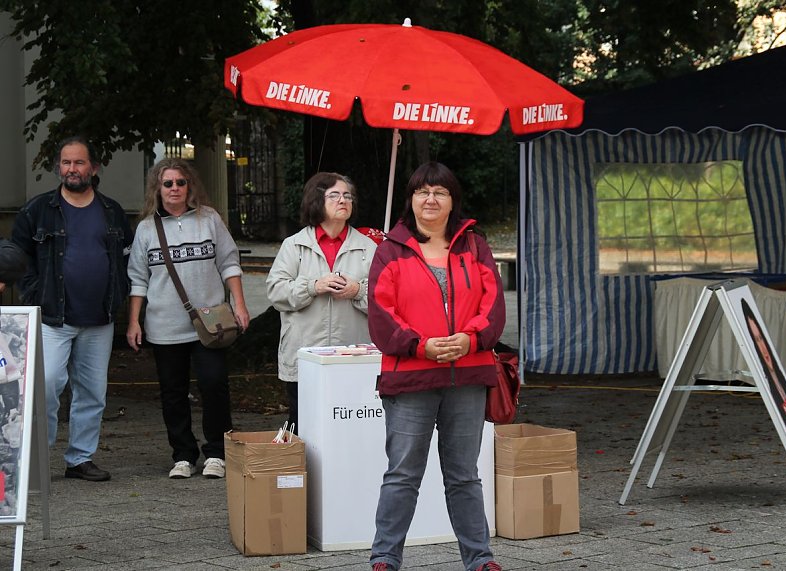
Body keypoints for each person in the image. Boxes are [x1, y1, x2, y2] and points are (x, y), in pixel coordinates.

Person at [367, 162, 505, 571]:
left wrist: (471, 338)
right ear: (410, 199)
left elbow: (493, 305)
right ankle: (385, 558)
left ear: (452, 200)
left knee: (464, 475)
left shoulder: (474, 244)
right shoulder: (390, 248)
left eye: (440, 192)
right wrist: (420, 346)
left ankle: (480, 559)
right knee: (403, 474)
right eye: (422, 191)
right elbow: (380, 313)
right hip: (410, 375)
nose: (430, 199)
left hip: (468, 373)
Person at [12, 136, 133, 482]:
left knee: (93, 391)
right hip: (53, 317)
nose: (72, 169)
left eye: (79, 163)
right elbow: (16, 257)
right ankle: (37, 461)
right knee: (46, 385)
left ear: (94, 168)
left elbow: (128, 258)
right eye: (66, 163)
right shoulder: (38, 210)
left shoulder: (111, 211)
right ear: (58, 167)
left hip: (100, 318)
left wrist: (120, 292)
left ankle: (80, 459)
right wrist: (36, 293)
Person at [126, 158, 250, 479]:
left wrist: (240, 304)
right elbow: (138, 279)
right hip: (164, 325)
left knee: (214, 384)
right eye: (168, 183)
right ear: (158, 189)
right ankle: (182, 454)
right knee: (172, 391)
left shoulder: (209, 219)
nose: (175, 189)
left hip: (211, 324)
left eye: (180, 182)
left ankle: (217, 454)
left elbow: (229, 263)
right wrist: (134, 321)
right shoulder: (145, 230)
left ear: (189, 186)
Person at [266, 172, 377, 433]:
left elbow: (386, 299)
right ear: (317, 200)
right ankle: (305, 475)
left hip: (354, 356)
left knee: (352, 425)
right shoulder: (294, 245)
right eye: (335, 195)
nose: (343, 200)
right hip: (305, 355)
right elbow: (275, 291)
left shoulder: (368, 247)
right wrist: (312, 286)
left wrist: (357, 290)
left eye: (348, 196)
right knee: (303, 424)